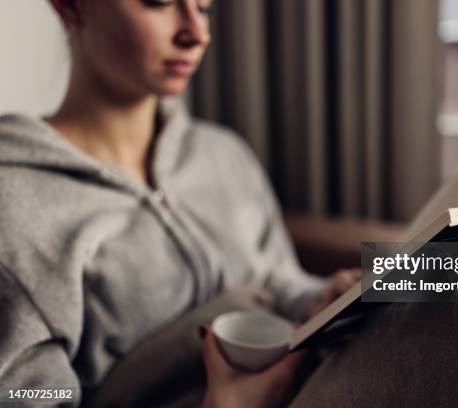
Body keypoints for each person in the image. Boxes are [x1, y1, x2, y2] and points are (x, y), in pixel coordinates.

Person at [0, 0, 359, 406]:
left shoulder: (222, 153)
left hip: (317, 380)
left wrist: (323, 299)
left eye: (204, 8)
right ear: (70, 7)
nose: (197, 34)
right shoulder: (13, 202)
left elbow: (277, 279)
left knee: (431, 295)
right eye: (159, 3)